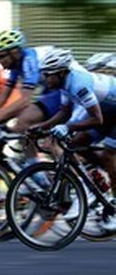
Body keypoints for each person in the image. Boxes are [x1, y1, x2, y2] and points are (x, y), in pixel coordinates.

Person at [30, 48, 116, 228]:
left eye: (48, 75)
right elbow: (64, 112)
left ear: (61, 72)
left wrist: (68, 127)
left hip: (108, 113)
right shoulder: (63, 84)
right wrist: (41, 127)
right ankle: (97, 181)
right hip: (108, 112)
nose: (45, 79)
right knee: (75, 144)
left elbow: (96, 119)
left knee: (109, 155)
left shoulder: (79, 83)